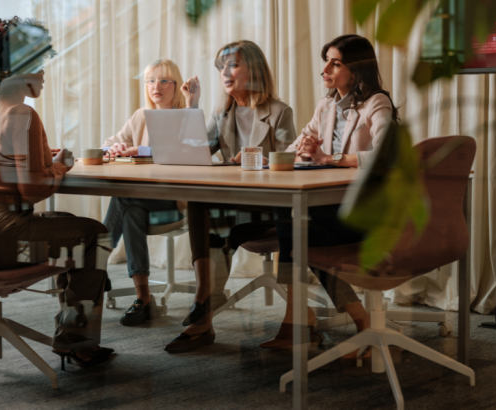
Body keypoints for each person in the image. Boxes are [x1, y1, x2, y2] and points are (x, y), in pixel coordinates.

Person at [0, 17, 113, 368]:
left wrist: (43, 159)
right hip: (8, 241)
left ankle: (76, 329)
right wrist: (61, 165)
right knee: (95, 237)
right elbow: (31, 189)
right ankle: (76, 340)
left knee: (68, 224)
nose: (43, 73)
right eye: (38, 64)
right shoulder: (22, 114)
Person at [265, 34, 399, 352]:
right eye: (325, 60)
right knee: (293, 223)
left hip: (366, 212)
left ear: (357, 70)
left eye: (335, 63)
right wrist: (298, 152)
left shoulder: (376, 103)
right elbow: (300, 145)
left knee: (295, 228)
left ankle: (300, 320)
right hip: (331, 205)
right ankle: (334, 316)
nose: (325, 68)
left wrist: (331, 159)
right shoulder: (326, 105)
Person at [163, 40, 297, 353]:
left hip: (271, 212)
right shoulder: (221, 113)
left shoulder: (279, 112)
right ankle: (203, 301)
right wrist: (192, 105)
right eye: (221, 67)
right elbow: (190, 152)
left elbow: (292, 163)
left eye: (233, 65)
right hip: (234, 210)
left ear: (255, 70)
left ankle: (202, 314)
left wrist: (258, 162)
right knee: (200, 203)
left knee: (215, 220)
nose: (225, 72)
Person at [101, 59, 190, 326]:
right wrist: (115, 149)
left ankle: (94, 261)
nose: (156, 86)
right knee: (131, 210)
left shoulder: (187, 117)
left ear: (176, 85)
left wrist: (138, 151)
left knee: (124, 198)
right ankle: (143, 297)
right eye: (151, 81)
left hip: (174, 203)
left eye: (164, 80)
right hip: (142, 202)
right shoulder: (141, 115)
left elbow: (182, 153)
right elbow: (109, 143)